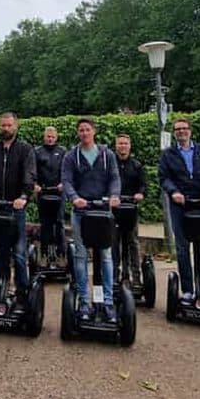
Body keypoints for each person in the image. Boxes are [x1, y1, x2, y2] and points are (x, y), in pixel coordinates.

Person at [61, 118, 121, 323]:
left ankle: (108, 302)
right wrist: (74, 198)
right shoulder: (71, 156)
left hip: (103, 212)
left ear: (94, 132)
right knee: (80, 256)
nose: (84, 133)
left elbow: (114, 178)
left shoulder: (107, 155)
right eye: (81, 130)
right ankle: (85, 302)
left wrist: (114, 195)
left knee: (105, 256)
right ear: (78, 133)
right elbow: (66, 180)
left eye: (87, 129)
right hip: (81, 212)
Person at [158, 118, 200, 306]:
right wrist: (174, 192)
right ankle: (187, 291)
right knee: (183, 249)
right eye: (178, 129)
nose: (181, 132)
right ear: (174, 133)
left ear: (190, 131)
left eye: (184, 129)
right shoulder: (168, 155)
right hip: (180, 205)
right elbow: (164, 177)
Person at [0, 112, 36, 307]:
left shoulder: (25, 149)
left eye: (9, 125)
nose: (6, 128)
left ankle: (22, 295)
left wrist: (23, 196)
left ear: (16, 127)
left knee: (19, 254)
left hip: (16, 209)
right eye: (3, 125)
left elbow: (30, 175)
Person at [112, 133, 147, 286]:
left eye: (125, 144)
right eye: (120, 144)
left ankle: (136, 277)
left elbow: (143, 185)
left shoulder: (137, 165)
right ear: (116, 146)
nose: (122, 146)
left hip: (131, 208)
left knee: (132, 242)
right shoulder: (110, 164)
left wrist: (140, 193)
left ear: (130, 146)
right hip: (114, 209)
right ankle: (114, 276)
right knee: (114, 242)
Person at [33, 126, 67, 256]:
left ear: (56, 137)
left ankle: (61, 253)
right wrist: (35, 185)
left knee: (59, 221)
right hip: (43, 191)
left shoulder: (62, 151)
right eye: (48, 136)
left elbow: (66, 170)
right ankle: (44, 253)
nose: (50, 139)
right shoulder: (37, 152)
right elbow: (33, 171)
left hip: (59, 191)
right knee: (45, 223)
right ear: (44, 136)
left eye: (53, 137)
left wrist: (63, 183)